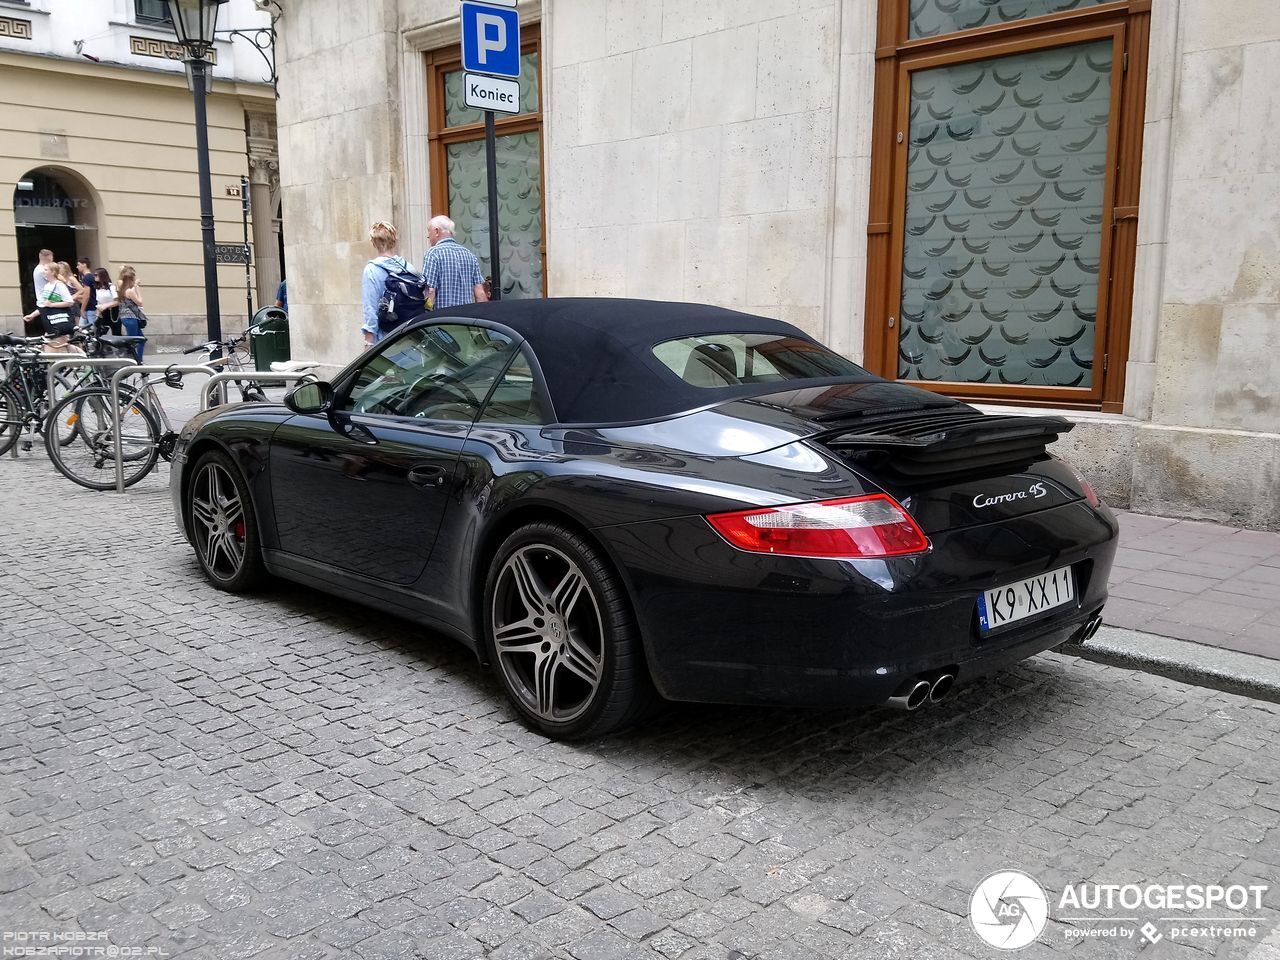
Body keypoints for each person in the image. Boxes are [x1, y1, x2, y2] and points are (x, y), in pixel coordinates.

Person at [420, 215, 487, 310]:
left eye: (429, 232)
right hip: (464, 319)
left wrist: (425, 313)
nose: (428, 237)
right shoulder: (469, 255)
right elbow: (479, 293)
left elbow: (430, 291)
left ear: (436, 231)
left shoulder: (433, 253)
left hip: (442, 319)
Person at [361, 221, 411, 349]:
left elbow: (370, 308)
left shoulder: (371, 270)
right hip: (408, 335)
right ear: (394, 240)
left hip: (386, 338)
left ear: (374, 242)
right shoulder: (407, 267)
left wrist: (368, 342)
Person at [22, 263, 76, 353]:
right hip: (51, 322)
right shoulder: (47, 286)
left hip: (58, 321)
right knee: (62, 347)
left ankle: (81, 360)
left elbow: (70, 302)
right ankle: (81, 360)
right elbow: (44, 305)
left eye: (46, 270)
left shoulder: (60, 285)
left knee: (53, 349)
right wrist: (32, 315)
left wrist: (52, 305)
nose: (44, 272)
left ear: (53, 272)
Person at [115, 265, 146, 362]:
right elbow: (140, 302)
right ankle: (133, 360)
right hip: (131, 317)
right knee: (134, 341)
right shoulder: (129, 291)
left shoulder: (122, 290)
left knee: (140, 339)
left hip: (125, 317)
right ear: (130, 280)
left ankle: (138, 359)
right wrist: (137, 289)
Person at [27, 249, 54, 336]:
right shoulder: (44, 270)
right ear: (48, 258)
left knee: (50, 331)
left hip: (44, 302)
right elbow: (58, 280)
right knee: (54, 332)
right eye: (51, 259)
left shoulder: (37, 269)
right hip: (49, 302)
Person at [93, 268, 119, 336]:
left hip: (113, 312)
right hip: (103, 312)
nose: (94, 277)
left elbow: (117, 301)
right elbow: (99, 302)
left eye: (96, 275)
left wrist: (105, 305)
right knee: (99, 333)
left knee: (116, 332)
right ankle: (100, 345)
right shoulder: (98, 288)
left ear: (102, 276)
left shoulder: (111, 287)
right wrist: (97, 315)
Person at [76, 257, 97, 330]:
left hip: (90, 308)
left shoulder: (87, 278)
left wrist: (82, 309)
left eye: (78, 265)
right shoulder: (91, 276)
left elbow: (87, 295)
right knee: (83, 329)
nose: (77, 267)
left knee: (90, 330)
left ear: (84, 265)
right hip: (90, 308)